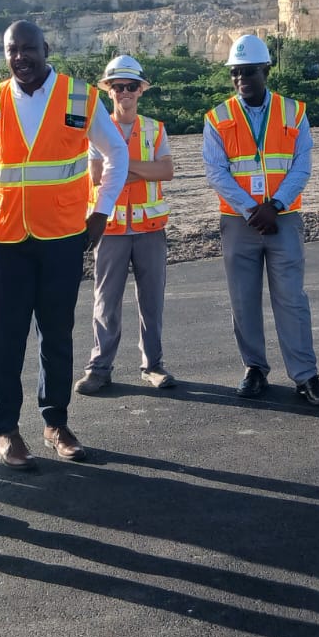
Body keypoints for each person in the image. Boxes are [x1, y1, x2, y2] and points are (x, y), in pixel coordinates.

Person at [0, 20, 129, 468]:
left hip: (62, 236)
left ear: (46, 48)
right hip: (5, 238)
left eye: (29, 48)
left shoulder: (80, 97)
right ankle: (6, 430)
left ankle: (56, 422)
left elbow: (116, 153)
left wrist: (101, 211)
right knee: (6, 337)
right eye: (12, 50)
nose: (20, 57)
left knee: (56, 334)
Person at [202, 34, 319, 406]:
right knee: (243, 301)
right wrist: (252, 209)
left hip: (283, 219)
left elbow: (302, 166)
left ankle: (305, 376)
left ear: (266, 71)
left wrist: (274, 205)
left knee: (292, 299)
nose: (241, 79)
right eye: (235, 72)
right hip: (239, 223)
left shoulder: (294, 113)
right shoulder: (217, 117)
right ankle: (254, 368)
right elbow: (216, 172)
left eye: (249, 72)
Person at [75, 54, 178, 395]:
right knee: (106, 301)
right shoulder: (97, 129)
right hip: (111, 229)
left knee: (152, 301)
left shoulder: (154, 129)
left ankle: (154, 365)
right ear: (109, 91)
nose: (124, 92)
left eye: (130, 86)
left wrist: (121, 167)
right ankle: (99, 368)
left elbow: (166, 171)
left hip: (150, 229)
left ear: (141, 90)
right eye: (118, 87)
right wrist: (143, 169)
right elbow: (96, 176)